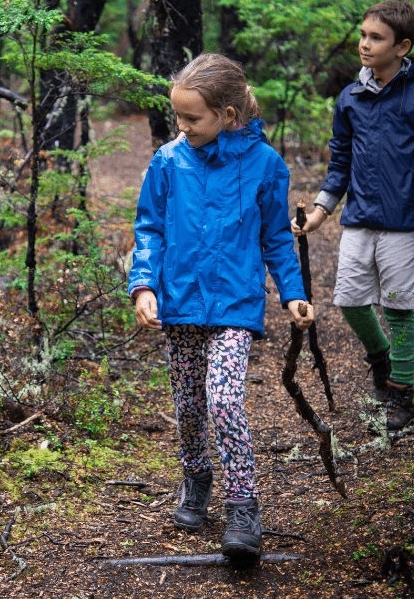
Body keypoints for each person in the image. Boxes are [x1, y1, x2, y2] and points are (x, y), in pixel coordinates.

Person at [128, 53, 314, 560]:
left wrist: (294, 293)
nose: (182, 127)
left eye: (192, 118)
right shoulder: (168, 161)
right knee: (189, 406)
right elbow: (149, 229)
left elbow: (276, 238)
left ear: (228, 115)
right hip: (180, 304)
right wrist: (143, 286)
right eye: (178, 116)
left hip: (235, 304)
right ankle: (196, 476)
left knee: (224, 400)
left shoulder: (266, 166)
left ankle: (243, 506)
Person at [292, 0, 414, 432]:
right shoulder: (351, 97)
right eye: (363, 35)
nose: (364, 44)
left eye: (376, 38)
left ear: (402, 47)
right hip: (359, 218)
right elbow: (340, 161)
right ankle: (381, 361)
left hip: (404, 223)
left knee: (398, 307)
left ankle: (401, 392)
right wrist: (321, 211)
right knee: (350, 300)